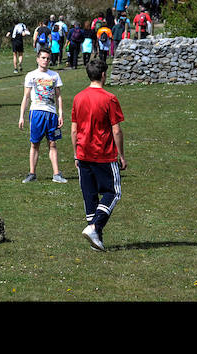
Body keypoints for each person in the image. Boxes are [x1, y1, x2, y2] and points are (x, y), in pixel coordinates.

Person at [71, 59, 126, 251]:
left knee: (90, 196)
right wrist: (121, 155)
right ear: (103, 75)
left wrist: (76, 154)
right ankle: (95, 227)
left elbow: (74, 129)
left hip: (83, 153)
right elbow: (116, 130)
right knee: (113, 192)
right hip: (103, 154)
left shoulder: (78, 98)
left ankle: (97, 241)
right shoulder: (109, 98)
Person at [19, 49, 67, 184]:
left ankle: (56, 174)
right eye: (43, 58)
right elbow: (26, 97)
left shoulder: (55, 75)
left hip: (51, 113)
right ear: (37, 59)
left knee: (53, 143)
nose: (45, 61)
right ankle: (32, 173)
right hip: (36, 112)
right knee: (35, 144)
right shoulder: (31, 75)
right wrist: (21, 116)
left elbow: (59, 97)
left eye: (47, 58)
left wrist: (60, 114)